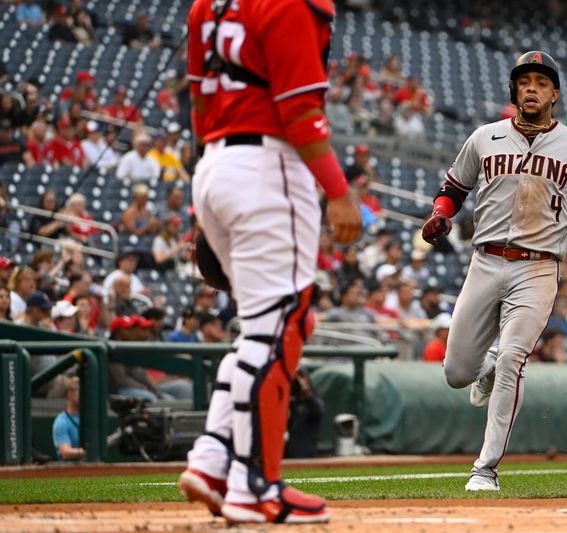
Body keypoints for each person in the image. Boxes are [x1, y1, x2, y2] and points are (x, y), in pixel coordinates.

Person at [179, 0, 362, 525]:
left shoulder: (207, 6)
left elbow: (197, 102)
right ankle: (255, 485)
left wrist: (211, 188)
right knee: (281, 328)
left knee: (265, 330)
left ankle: (214, 459)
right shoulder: (291, 3)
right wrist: (338, 191)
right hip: (268, 162)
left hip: (216, 160)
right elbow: (300, 111)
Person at [421, 51, 567, 492]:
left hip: (537, 267)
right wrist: (440, 213)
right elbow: (453, 187)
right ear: (515, 90)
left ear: (554, 93)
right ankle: (486, 366)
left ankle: (485, 469)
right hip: (485, 261)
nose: (530, 88)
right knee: (457, 374)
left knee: (515, 356)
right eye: (524, 81)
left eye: (540, 82)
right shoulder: (484, 137)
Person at [284, 368, 324, 459]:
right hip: (286, 451)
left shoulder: (313, 400)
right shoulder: (291, 401)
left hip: (305, 454)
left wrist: (305, 390)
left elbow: (318, 411)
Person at [52, 377, 85, 461]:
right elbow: (66, 452)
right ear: (68, 393)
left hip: (92, 466)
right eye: (77, 389)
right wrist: (90, 451)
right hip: (70, 467)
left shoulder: (90, 418)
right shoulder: (61, 421)